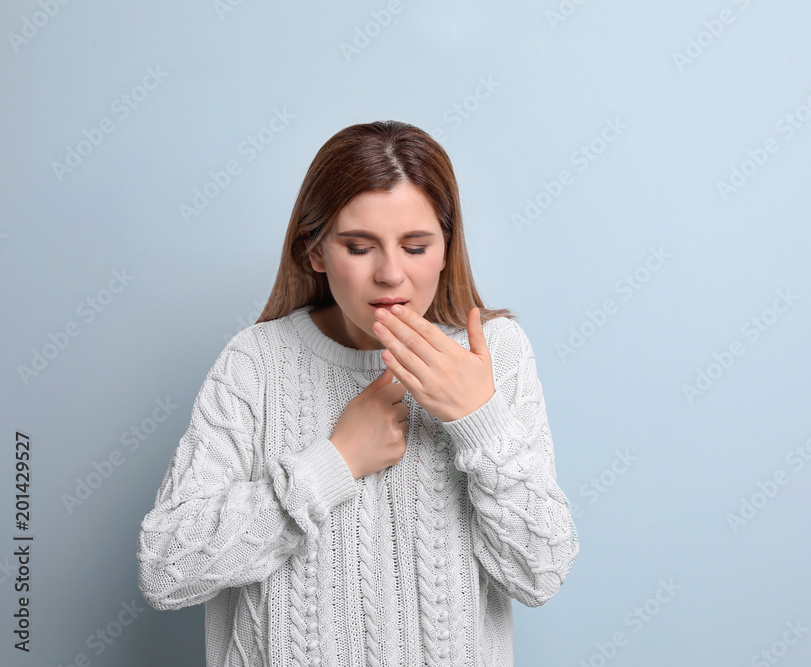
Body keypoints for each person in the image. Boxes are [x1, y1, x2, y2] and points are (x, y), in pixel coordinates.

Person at [136, 120, 579, 666]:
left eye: (416, 246)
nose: (391, 274)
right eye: (359, 246)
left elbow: (541, 572)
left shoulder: (495, 355)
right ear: (316, 251)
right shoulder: (257, 363)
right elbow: (166, 568)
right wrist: (335, 463)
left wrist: (478, 420)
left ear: (445, 250)